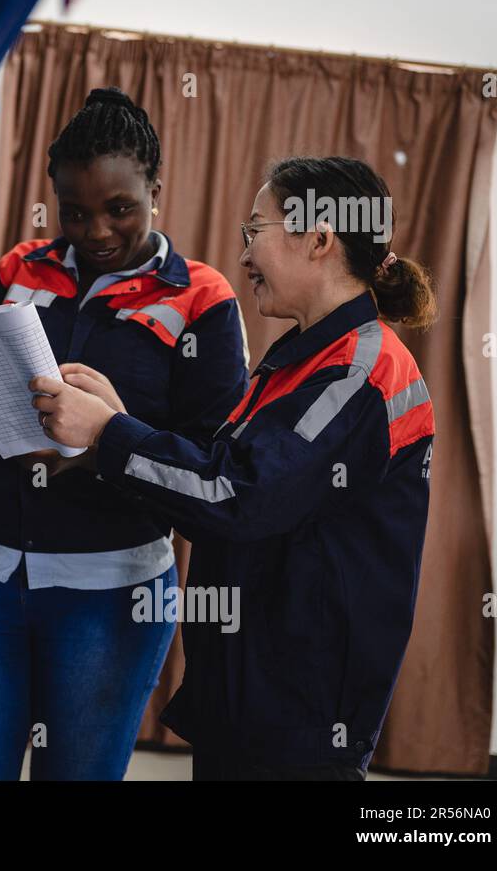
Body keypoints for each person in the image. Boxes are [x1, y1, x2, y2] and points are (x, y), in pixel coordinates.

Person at [31, 155, 437, 780]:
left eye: (256, 231)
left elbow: (233, 495)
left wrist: (107, 434)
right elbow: (224, 471)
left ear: (319, 239)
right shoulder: (307, 356)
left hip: (299, 715)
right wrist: (118, 424)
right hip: (254, 695)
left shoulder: (359, 373)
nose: (244, 254)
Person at [0, 87, 249, 780]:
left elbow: (213, 474)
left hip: (113, 594)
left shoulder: (204, 299)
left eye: (119, 208)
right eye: (74, 211)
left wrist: (110, 438)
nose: (95, 230)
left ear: (157, 190)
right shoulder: (21, 269)